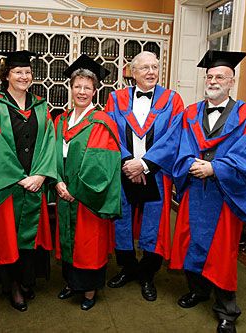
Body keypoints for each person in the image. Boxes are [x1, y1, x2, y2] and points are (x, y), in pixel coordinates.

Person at [170, 50, 246, 333]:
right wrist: (190, 163)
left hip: (225, 193)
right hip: (195, 190)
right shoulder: (190, 113)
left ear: (231, 82)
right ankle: (198, 290)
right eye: (209, 76)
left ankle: (227, 310)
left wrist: (216, 168)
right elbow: (181, 143)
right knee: (192, 241)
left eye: (220, 77)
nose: (213, 81)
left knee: (222, 251)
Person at [0, 50, 56, 312]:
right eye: (18, 72)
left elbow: (49, 142)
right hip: (8, 186)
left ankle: (27, 279)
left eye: (27, 72)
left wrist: (41, 174)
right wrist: (20, 178)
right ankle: (13, 286)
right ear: (6, 75)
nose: (24, 76)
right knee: (7, 237)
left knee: (30, 237)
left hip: (35, 183)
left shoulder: (40, 106)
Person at [104, 51, 184, 301]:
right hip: (124, 170)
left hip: (156, 172)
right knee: (122, 220)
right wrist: (128, 162)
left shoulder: (172, 100)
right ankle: (127, 268)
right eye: (145, 67)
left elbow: (174, 136)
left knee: (155, 224)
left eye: (155, 67)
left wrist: (145, 164)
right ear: (132, 72)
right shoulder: (116, 98)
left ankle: (148, 274)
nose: (151, 72)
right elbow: (110, 131)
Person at [54, 54, 122, 311]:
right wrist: (58, 181)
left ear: (96, 90)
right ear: (70, 88)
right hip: (64, 192)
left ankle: (90, 291)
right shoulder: (60, 120)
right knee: (68, 240)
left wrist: (76, 190)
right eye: (77, 86)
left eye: (87, 87)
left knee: (89, 243)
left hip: (88, 198)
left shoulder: (102, 123)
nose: (82, 91)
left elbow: (100, 165)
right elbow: (51, 155)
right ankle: (71, 283)